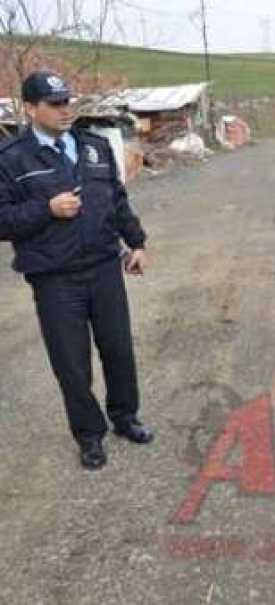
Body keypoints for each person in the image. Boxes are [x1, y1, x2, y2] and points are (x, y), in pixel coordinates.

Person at [0, 71, 152, 470]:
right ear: (31, 109)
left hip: (104, 267)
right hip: (55, 278)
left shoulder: (95, 147)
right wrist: (45, 209)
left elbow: (117, 200)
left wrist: (136, 242)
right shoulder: (13, 159)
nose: (65, 109)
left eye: (68, 101)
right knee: (72, 362)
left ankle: (125, 417)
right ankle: (89, 435)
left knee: (118, 350)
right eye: (54, 104)